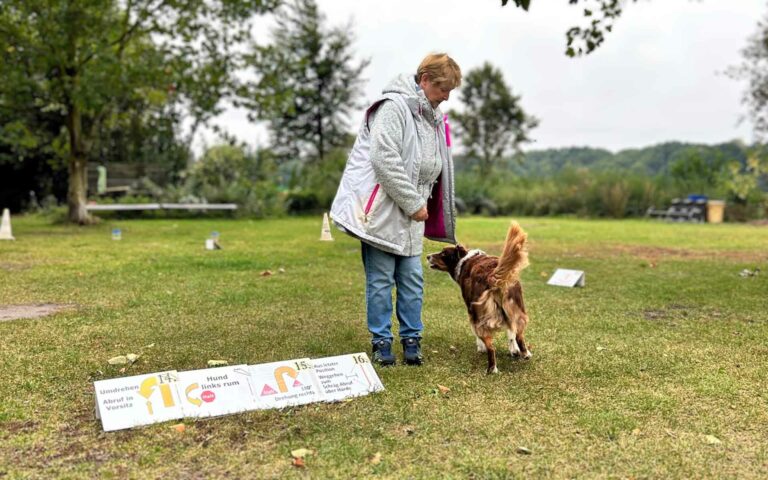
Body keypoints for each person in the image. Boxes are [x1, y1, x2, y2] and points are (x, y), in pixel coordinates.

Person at [330, 53, 461, 366]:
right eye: (444, 88)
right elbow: (383, 159)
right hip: (382, 212)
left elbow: (431, 164)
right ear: (425, 80)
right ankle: (381, 342)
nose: (447, 96)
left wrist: (425, 203)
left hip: (411, 216)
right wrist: (414, 203)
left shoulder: (434, 118)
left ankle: (412, 339)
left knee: (412, 279)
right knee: (380, 280)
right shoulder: (392, 108)